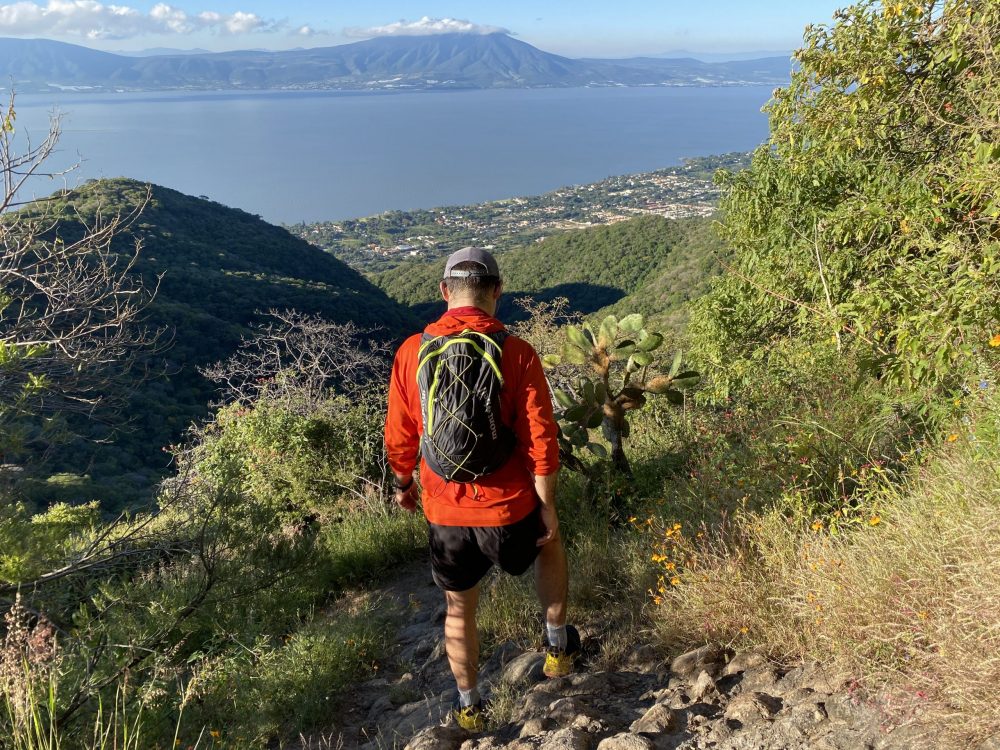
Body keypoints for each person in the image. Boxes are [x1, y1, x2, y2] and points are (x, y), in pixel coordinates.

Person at [384, 246, 579, 732]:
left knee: (458, 607)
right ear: (497, 291)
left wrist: (404, 483)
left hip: (447, 512)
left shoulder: (411, 352)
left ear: (444, 292)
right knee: (550, 545)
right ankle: (557, 649)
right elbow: (541, 438)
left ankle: (470, 706)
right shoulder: (516, 353)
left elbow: (401, 434)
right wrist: (547, 507)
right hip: (510, 510)